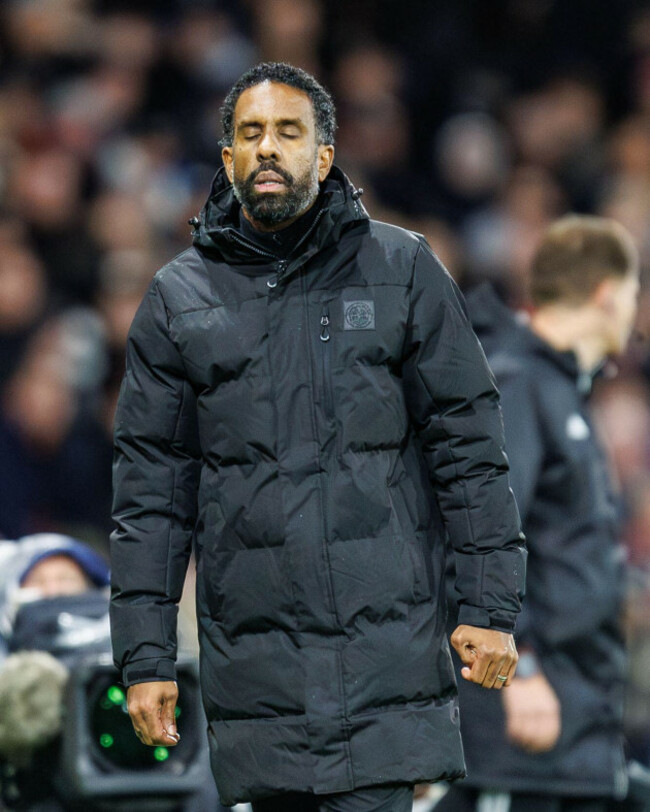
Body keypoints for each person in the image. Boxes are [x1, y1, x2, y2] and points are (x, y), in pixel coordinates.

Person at [109, 62, 526, 811]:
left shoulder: (403, 271)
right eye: (250, 133)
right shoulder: (176, 300)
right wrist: (145, 657)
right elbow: (150, 500)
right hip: (259, 683)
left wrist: (490, 607)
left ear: (325, 155)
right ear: (228, 158)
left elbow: (470, 452)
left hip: (384, 671)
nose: (268, 148)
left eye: (288, 132)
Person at [437, 215, 640, 812]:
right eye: (633, 293)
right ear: (605, 293)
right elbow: (479, 533)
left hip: (571, 730)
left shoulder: (555, 390)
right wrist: (518, 672)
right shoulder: (516, 384)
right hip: (521, 727)